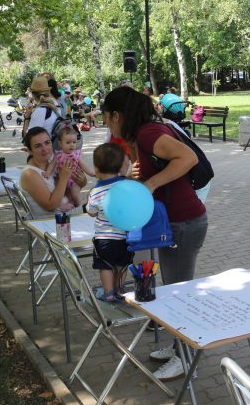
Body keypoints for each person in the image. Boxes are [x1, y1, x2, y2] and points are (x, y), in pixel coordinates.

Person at [101, 86, 208, 381]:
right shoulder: (143, 135)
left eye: (107, 119)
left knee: (179, 294)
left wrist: (151, 184)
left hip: (184, 223)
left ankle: (187, 358)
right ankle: (179, 347)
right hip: (174, 223)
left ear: (117, 115)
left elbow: (187, 159)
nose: (107, 125)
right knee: (173, 290)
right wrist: (141, 175)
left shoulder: (148, 133)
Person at [86, 143, 132, 302]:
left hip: (103, 238)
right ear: (121, 166)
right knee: (121, 264)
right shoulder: (127, 186)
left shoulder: (96, 191)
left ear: (96, 168)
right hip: (124, 237)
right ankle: (119, 290)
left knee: (105, 265)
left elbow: (91, 212)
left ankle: (108, 293)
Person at [19, 127, 88, 217]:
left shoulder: (53, 164)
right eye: (38, 146)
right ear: (29, 150)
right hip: (52, 222)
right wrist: (63, 178)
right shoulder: (30, 174)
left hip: (68, 214)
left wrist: (82, 182)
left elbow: (67, 188)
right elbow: (51, 206)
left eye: (47, 143)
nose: (45, 149)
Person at [43, 126, 96, 210]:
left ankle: (79, 207)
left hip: (74, 180)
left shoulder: (75, 156)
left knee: (75, 195)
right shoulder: (58, 155)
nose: (72, 145)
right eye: (68, 143)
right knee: (62, 195)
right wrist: (47, 173)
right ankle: (69, 206)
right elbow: (52, 165)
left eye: (74, 142)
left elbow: (84, 166)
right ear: (60, 144)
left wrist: (93, 173)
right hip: (62, 180)